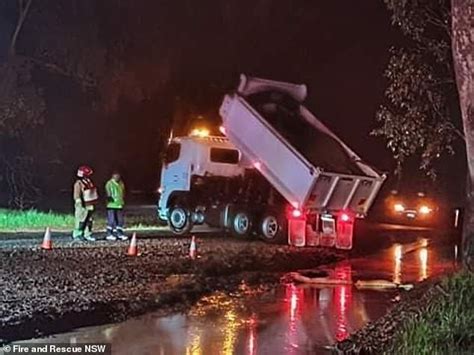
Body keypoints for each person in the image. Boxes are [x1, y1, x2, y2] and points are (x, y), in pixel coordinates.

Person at [72, 165, 99, 241]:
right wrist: (79, 202)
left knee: (89, 220)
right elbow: (77, 195)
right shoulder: (79, 183)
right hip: (82, 205)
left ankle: (87, 234)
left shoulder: (89, 182)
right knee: (81, 220)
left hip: (90, 204)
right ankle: (78, 234)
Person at [105, 171, 127, 241]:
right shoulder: (109, 183)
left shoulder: (121, 183)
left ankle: (120, 234)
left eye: (118, 176)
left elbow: (123, 192)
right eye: (116, 176)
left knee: (120, 221)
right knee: (111, 220)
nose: (117, 177)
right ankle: (109, 234)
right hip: (111, 205)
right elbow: (108, 193)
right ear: (113, 176)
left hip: (119, 204)